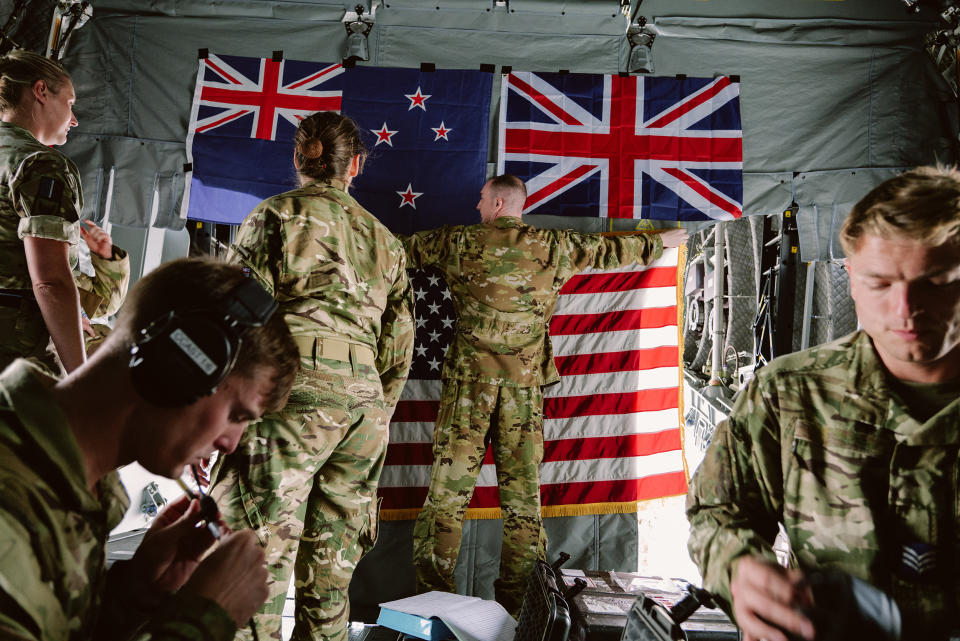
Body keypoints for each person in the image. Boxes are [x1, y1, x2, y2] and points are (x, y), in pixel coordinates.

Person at [686, 166, 960, 641]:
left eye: (936, 282)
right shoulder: (790, 394)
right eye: (879, 283)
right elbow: (718, 509)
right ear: (850, 279)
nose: (906, 309)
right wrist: (739, 568)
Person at [404, 174, 687, 616]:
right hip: (523, 392)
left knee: (446, 499)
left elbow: (394, 251)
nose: (477, 207)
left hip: (467, 392)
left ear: (498, 203)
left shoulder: (457, 241)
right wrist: (661, 242)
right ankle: (521, 610)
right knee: (522, 503)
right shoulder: (553, 246)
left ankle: (433, 602)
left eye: (481, 200)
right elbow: (609, 251)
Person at [0, 257, 301, 641]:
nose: (229, 444)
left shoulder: (72, 487)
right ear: (179, 363)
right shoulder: (12, 500)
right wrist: (204, 620)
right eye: (236, 414)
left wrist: (132, 597)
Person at [208, 111, 415, 641]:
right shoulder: (387, 241)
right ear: (357, 165)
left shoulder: (274, 215)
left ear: (299, 158)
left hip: (291, 391)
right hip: (364, 406)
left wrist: (224, 409)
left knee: (258, 554)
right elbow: (399, 346)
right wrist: (378, 408)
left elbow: (237, 317)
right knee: (332, 566)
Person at [0, 50, 86, 373]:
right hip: (14, 355)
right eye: (70, 103)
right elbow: (50, 282)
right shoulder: (41, 165)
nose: (74, 119)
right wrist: (81, 375)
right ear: (40, 92)